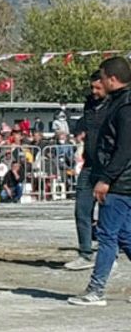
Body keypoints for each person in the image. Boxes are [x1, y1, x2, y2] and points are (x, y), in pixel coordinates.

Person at [69, 57, 131, 306]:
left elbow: (125, 149)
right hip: (121, 179)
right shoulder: (117, 103)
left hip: (120, 181)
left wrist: (105, 179)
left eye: (103, 77)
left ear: (113, 79)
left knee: (106, 237)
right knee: (125, 235)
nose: (100, 81)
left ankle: (96, 290)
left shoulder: (125, 107)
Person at [65, 71, 107, 270]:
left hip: (109, 166)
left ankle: (110, 253)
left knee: (110, 213)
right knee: (81, 209)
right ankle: (85, 253)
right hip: (89, 165)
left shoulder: (118, 105)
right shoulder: (89, 104)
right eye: (92, 87)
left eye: (98, 87)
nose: (94, 91)